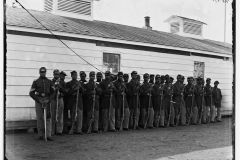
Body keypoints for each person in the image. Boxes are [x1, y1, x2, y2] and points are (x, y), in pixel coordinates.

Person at [29, 67, 54, 141]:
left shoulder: (49, 81)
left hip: (47, 100)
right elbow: (31, 93)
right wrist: (38, 100)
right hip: (39, 101)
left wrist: (49, 100)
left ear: (46, 72)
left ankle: (48, 135)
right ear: (39, 72)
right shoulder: (36, 81)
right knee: (40, 118)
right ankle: (40, 135)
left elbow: (53, 92)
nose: (43, 73)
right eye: (41, 72)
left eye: (44, 72)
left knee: (48, 117)